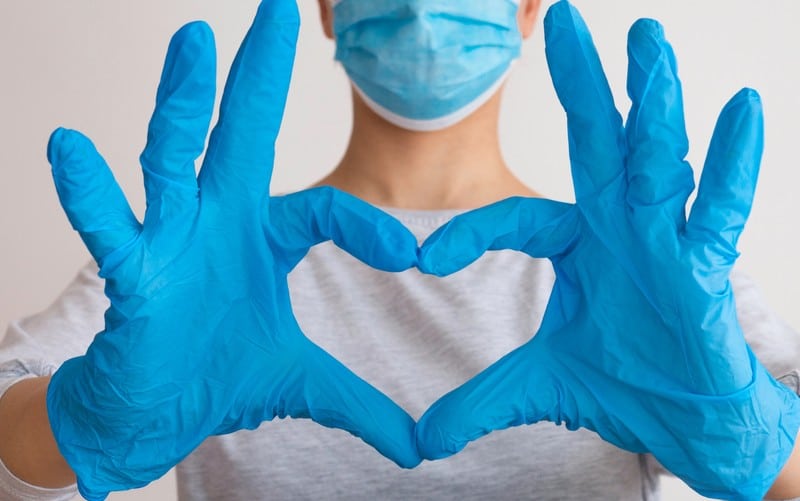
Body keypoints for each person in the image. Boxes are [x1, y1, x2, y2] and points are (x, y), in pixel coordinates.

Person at [1, 0, 799, 499]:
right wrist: (78, 422)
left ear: (527, 7)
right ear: (326, 6)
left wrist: (759, 439)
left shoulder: (644, 277)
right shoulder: (199, 270)